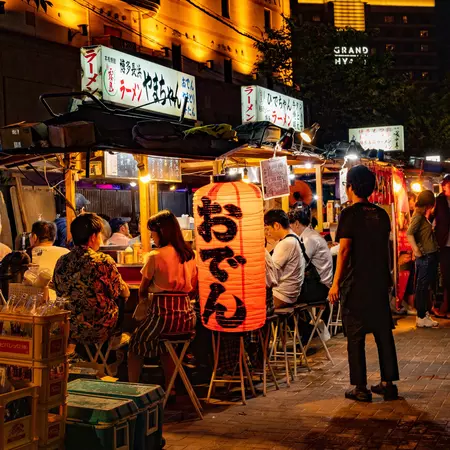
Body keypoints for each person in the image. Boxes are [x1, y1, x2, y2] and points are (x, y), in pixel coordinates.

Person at [329, 165, 399, 402]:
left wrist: (335, 283)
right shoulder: (381, 214)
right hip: (379, 281)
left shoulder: (350, 214)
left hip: (356, 283)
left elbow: (345, 250)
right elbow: (386, 249)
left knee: (356, 335)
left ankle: (360, 387)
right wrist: (390, 278)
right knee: (383, 333)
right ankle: (388, 384)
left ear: (350, 187)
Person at [128, 210, 197, 387]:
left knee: (134, 344)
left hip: (162, 316)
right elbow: (194, 288)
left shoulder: (155, 256)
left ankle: (132, 386)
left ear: (161, 232)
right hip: (186, 318)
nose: (152, 237)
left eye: (152, 233)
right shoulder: (190, 255)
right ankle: (170, 387)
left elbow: (142, 290)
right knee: (168, 348)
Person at [53, 213, 130, 345]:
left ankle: (86, 353)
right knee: (122, 298)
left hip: (69, 327)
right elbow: (120, 292)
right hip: (99, 329)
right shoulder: (103, 261)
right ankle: (113, 346)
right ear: (93, 236)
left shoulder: (62, 261)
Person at [407, 190, 439, 328]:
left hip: (427, 256)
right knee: (422, 287)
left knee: (423, 287)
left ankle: (423, 314)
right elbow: (410, 233)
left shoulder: (421, 216)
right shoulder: (418, 216)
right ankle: (421, 316)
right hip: (425, 256)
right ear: (428, 204)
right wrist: (416, 250)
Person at [289, 208, 333, 298]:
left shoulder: (309, 239)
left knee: (283, 294)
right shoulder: (309, 235)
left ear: (296, 224)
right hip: (318, 283)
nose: (289, 230)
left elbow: (300, 266)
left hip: (319, 287)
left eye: (289, 226)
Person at [264, 209, 304, 308]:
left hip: (281, 296)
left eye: (268, 229)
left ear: (277, 225)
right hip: (290, 295)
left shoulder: (286, 243)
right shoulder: (295, 238)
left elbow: (271, 277)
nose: (268, 233)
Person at [433, 175, 450, 318]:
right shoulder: (439, 201)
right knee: (445, 276)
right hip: (443, 244)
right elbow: (430, 217)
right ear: (444, 186)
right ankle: (443, 307)